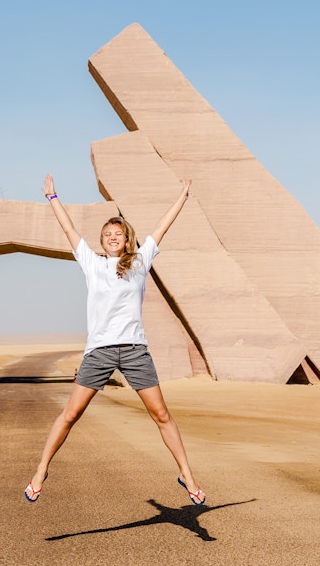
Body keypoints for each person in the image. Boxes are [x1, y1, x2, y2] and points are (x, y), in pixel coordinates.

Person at [24, 175, 205, 506]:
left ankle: (187, 476)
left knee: (162, 415)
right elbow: (69, 230)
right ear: (102, 240)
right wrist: (53, 197)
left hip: (135, 352)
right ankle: (40, 471)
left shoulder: (139, 262)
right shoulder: (92, 264)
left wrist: (183, 196)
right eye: (107, 235)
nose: (112, 238)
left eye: (117, 234)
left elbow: (162, 228)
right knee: (71, 414)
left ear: (126, 239)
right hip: (99, 353)